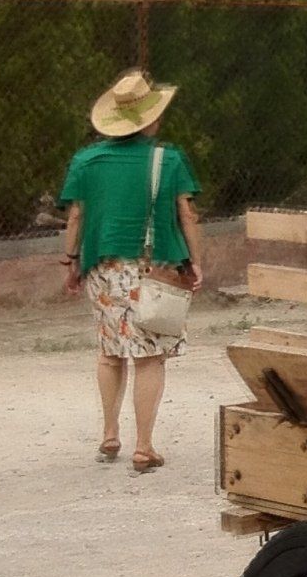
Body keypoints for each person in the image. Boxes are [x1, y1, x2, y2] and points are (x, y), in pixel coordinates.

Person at [58, 70, 203, 472]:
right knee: (150, 357)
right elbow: (186, 214)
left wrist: (71, 263)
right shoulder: (168, 159)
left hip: (102, 268)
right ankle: (144, 446)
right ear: (150, 120)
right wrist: (194, 262)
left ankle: (109, 433)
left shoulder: (86, 160)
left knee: (109, 352)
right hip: (152, 268)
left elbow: (76, 215)